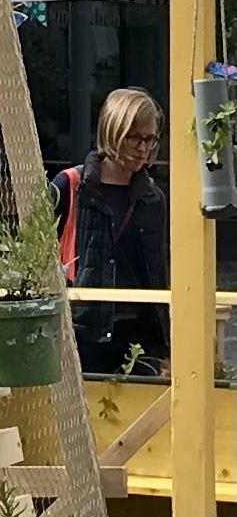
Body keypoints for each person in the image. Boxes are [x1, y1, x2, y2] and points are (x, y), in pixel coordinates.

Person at [51, 87, 168, 375]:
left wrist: (166, 341)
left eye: (150, 139)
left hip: (141, 336)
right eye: (134, 137)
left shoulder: (153, 197)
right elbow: (37, 255)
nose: (143, 148)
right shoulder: (71, 185)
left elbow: (158, 271)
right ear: (114, 131)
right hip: (83, 332)